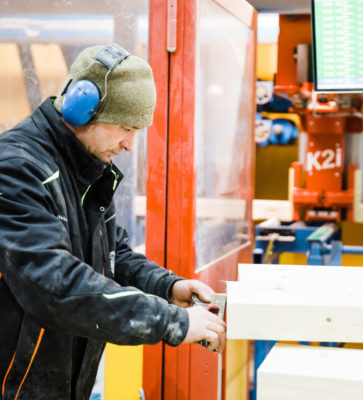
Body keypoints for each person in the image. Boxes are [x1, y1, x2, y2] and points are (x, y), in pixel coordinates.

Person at [0, 43, 226, 400]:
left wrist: (168, 287)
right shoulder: (15, 169)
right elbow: (55, 286)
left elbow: (111, 254)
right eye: (124, 127)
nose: (129, 144)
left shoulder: (86, 171)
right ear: (80, 110)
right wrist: (172, 322)